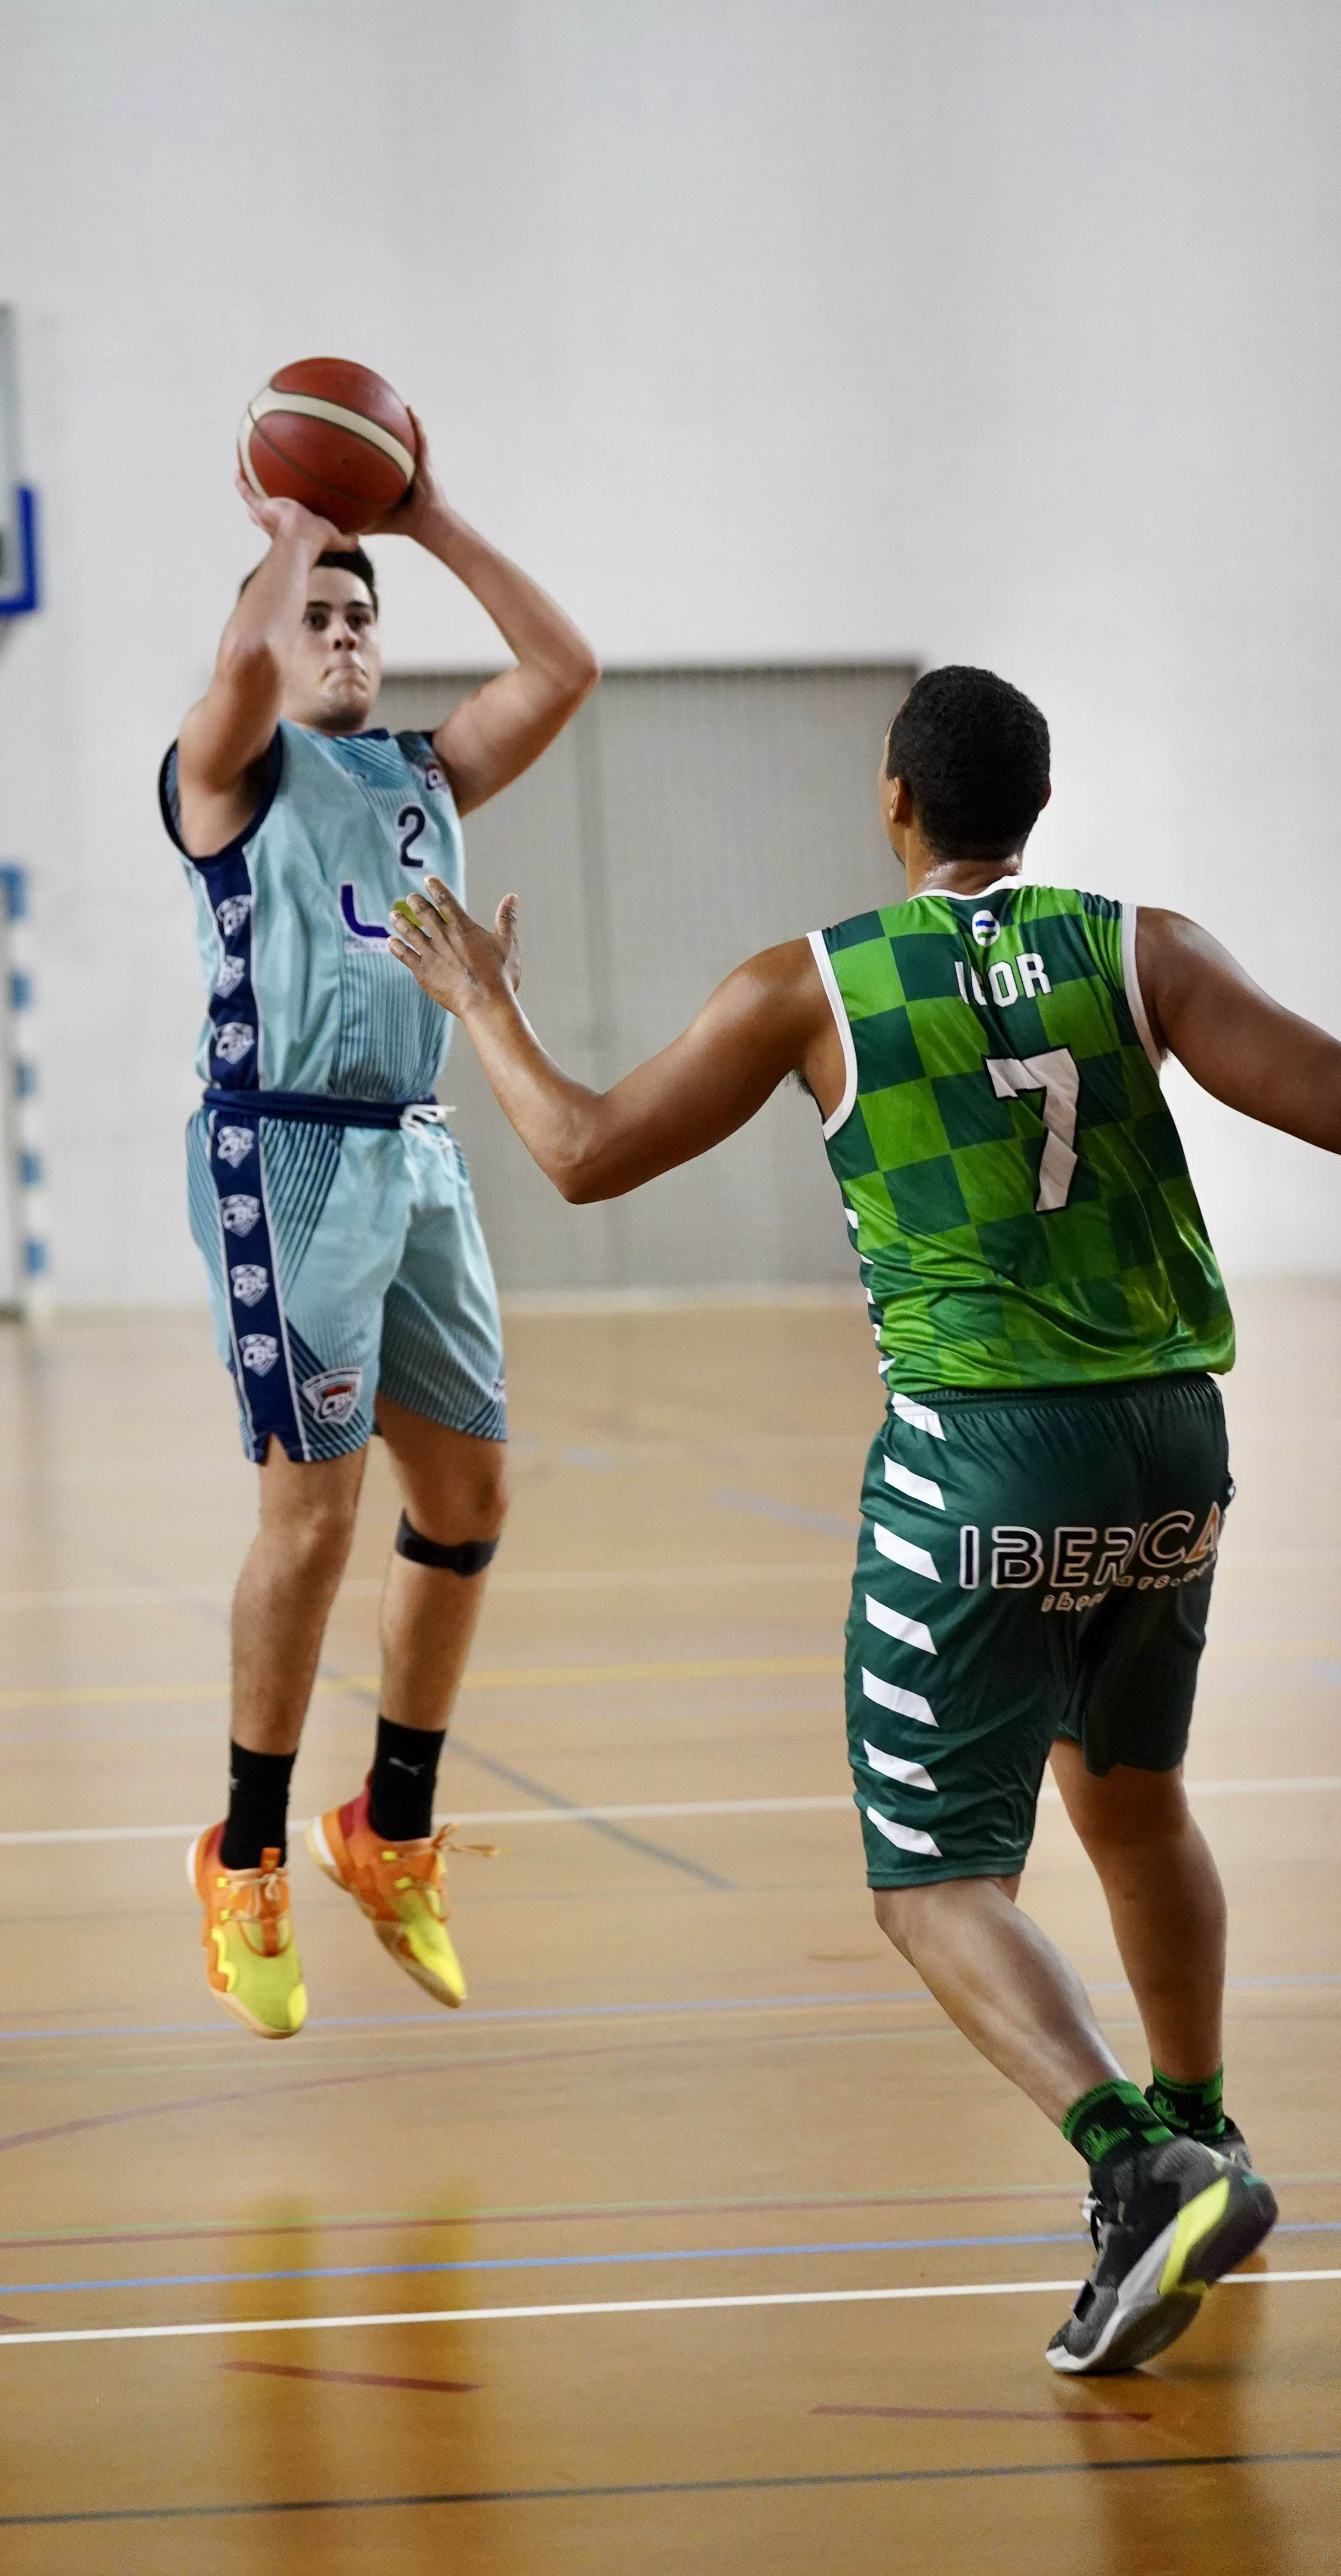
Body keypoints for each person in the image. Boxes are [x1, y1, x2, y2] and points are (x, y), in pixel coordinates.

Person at [383, 662, 1324, 2376]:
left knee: (932, 1880)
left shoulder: (809, 984)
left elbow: (583, 1155)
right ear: (1036, 806)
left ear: (894, 803)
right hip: (1171, 1443)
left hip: (980, 1456)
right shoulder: (1145, 948)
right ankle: (1215, 2134)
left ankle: (1142, 2160)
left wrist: (480, 1004)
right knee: (1130, 1804)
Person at [161, 417, 597, 2038]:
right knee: (316, 1522)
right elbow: (235, 674)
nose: (343, 637)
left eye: (363, 620)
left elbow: (562, 664)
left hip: (417, 1152)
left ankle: (389, 1826)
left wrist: (419, 516)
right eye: (315, 621)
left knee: (470, 1499)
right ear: (271, 640)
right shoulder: (230, 768)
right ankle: (247, 1850)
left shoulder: (425, 771)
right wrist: (291, 530)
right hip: (285, 1158)